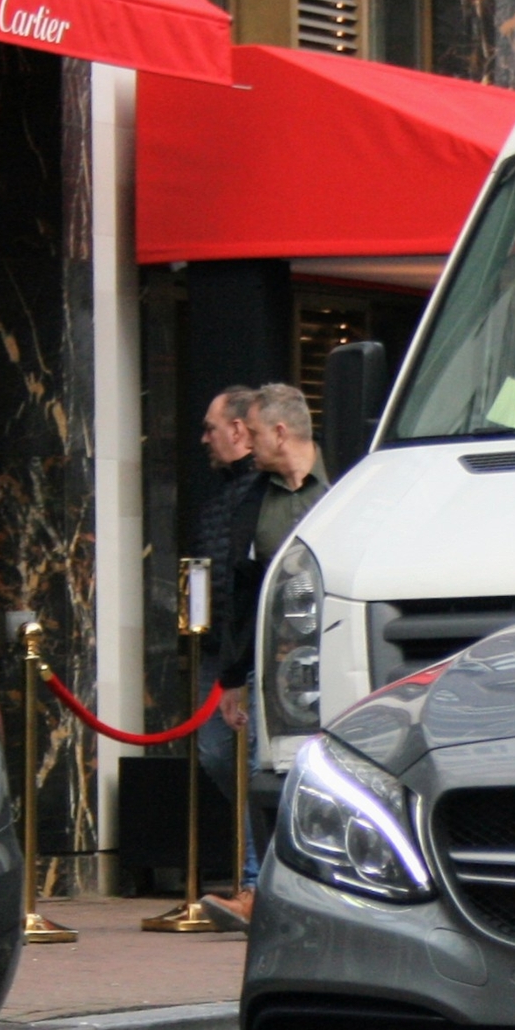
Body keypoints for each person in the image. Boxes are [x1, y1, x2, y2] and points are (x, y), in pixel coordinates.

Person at [203, 383, 332, 929]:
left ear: (282, 432)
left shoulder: (347, 490)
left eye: (254, 433)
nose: (246, 444)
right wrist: (233, 675)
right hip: (270, 662)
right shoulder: (251, 499)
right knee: (265, 767)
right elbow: (240, 589)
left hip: (334, 655)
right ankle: (260, 889)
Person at [191, 387, 261, 909]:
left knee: (254, 758)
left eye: (212, 427)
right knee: (216, 753)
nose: (205, 438)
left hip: (252, 648)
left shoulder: (263, 493)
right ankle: (253, 870)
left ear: (238, 430)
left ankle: (256, 878)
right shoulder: (217, 498)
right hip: (217, 647)